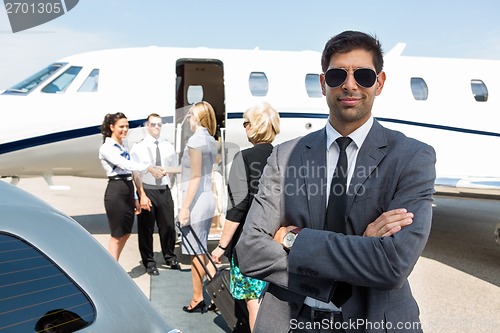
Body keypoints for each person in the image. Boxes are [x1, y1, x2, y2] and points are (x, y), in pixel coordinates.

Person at [235, 30, 436, 332]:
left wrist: (293, 239)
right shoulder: (284, 156)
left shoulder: (412, 157)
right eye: (337, 75)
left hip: (374, 322)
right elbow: (250, 251)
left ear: (379, 83)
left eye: (364, 75)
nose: (350, 84)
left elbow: (393, 264)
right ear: (323, 83)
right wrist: (362, 248)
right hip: (289, 321)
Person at [211, 102, 280, 331]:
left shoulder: (245, 157)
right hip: (279, 243)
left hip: (250, 244)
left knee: (255, 304)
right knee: (276, 303)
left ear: (256, 126)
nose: (244, 128)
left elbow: (237, 207)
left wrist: (221, 246)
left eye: (246, 123)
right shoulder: (285, 156)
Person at [99, 112, 165, 261]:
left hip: (127, 188)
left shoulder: (123, 145)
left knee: (126, 233)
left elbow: (131, 172)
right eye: (121, 126)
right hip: (116, 190)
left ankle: (114, 264)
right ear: (112, 127)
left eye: (127, 126)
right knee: (117, 235)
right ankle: (111, 268)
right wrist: (148, 167)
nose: (125, 129)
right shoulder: (107, 147)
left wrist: (136, 196)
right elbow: (125, 164)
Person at [178, 101, 218, 313]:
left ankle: (197, 298)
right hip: (206, 198)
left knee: (196, 252)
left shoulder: (195, 140)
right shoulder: (210, 140)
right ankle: (221, 293)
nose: (189, 119)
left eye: (192, 115)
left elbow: (194, 175)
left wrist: (184, 208)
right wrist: (168, 169)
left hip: (195, 201)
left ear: (199, 118)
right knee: (201, 250)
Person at [130, 113, 181, 276]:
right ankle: (149, 262)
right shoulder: (139, 147)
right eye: (153, 124)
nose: (157, 127)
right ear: (147, 126)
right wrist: (140, 194)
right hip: (148, 189)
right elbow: (135, 172)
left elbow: (173, 167)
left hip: (164, 189)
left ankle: (169, 256)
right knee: (146, 228)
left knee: (168, 226)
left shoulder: (168, 146)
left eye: (159, 124)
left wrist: (169, 182)